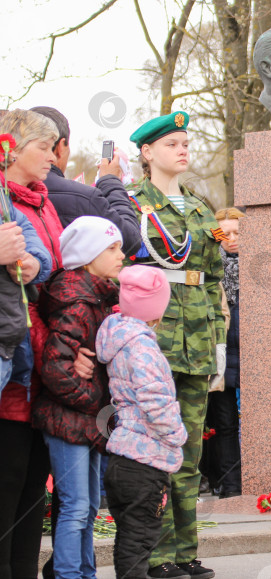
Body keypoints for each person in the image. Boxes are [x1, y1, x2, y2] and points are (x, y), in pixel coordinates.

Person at [127, 111, 225, 579]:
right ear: (147, 153)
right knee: (155, 451)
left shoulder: (201, 210)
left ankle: (185, 549)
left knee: (189, 454)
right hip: (153, 344)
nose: (183, 150)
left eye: (186, 143)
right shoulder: (131, 205)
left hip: (197, 343)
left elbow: (212, 282)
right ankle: (158, 553)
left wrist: (219, 346)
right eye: (172, 144)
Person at [33, 216, 124, 578]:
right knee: (75, 505)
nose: (121, 256)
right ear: (88, 256)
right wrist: (95, 404)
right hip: (67, 418)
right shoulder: (77, 301)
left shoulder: (96, 296)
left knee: (86, 508)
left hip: (84, 419)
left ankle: (85, 572)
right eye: (112, 248)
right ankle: (71, 574)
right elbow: (55, 368)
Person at [97, 265, 188, 578]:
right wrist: (177, 434)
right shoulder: (143, 346)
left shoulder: (117, 338)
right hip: (146, 459)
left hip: (121, 455)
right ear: (156, 309)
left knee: (128, 536)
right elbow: (155, 399)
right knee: (141, 537)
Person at [0, 201, 52, 579]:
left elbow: (41, 254)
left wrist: (32, 262)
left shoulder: (9, 203)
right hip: (13, 373)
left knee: (30, 487)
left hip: (28, 373)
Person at [29, 106, 140, 254]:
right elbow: (129, 239)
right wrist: (110, 181)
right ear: (60, 147)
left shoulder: (7, 190)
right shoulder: (85, 198)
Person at [210, 207, 244, 498]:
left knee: (255, 420)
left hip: (251, 356)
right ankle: (231, 486)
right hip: (222, 356)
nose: (232, 239)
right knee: (224, 424)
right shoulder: (211, 268)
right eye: (225, 233)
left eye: (238, 233)